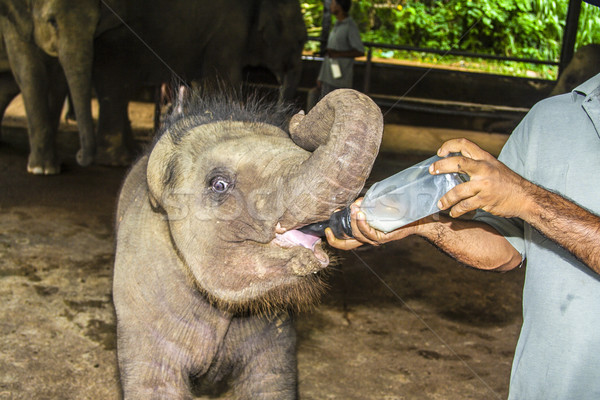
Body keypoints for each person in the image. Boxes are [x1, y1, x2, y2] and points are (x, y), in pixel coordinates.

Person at [326, 74, 600, 399]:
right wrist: (421, 223)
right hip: (547, 386)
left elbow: (523, 200)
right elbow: (506, 250)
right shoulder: (550, 119)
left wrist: (527, 199)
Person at [316, 0, 365, 99]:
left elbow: (360, 51)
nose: (331, 6)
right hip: (329, 76)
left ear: (339, 6)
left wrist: (338, 54)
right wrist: (321, 77)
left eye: (333, 3)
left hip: (340, 79)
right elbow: (330, 54)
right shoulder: (337, 25)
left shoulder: (350, 26)